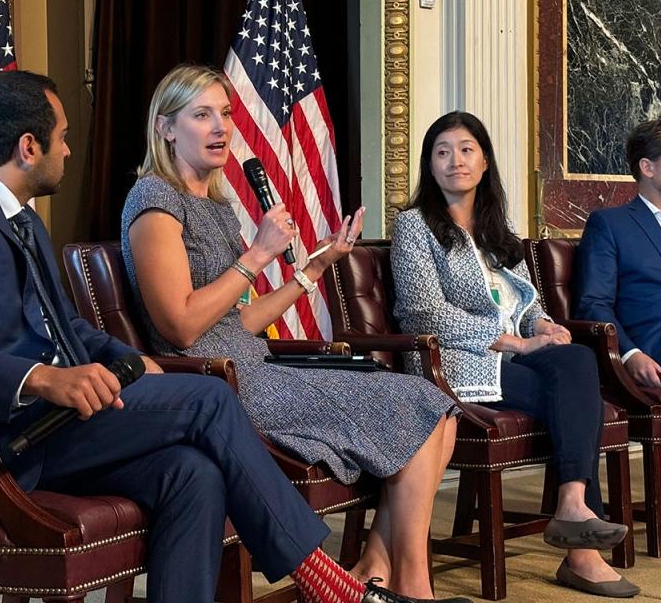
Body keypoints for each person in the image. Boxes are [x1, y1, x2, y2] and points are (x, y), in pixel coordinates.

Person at [0, 70, 461, 603]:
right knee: (210, 397)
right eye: (62, 137)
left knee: (194, 472)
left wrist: (133, 361)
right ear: (28, 147)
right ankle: (323, 580)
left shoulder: (24, 219)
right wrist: (43, 378)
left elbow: (71, 330)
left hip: (51, 428)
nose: (69, 149)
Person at [122, 64, 469, 603]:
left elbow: (237, 321)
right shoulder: (154, 202)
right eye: (202, 115)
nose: (221, 128)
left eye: (227, 114)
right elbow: (182, 325)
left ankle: (379, 570)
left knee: (433, 407)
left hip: (251, 362)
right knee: (419, 406)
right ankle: (412, 587)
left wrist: (313, 269)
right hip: (218, 385)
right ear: (166, 129)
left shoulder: (213, 206)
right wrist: (257, 255)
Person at [389, 111, 639, 598]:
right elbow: (421, 314)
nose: (454, 160)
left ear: (484, 162)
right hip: (458, 364)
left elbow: (525, 306)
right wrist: (515, 342)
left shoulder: (497, 232)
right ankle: (581, 549)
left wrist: (543, 325)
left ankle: (572, 505)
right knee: (573, 391)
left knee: (575, 362)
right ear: (429, 164)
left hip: (514, 361)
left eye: (466, 150)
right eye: (442, 151)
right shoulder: (415, 226)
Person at [576, 115, 661, 386]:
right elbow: (594, 304)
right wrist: (630, 354)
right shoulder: (611, 224)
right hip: (660, 346)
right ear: (647, 167)